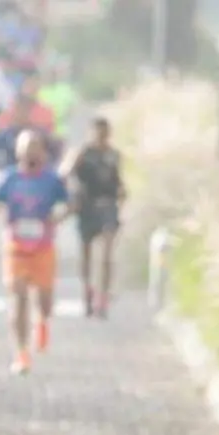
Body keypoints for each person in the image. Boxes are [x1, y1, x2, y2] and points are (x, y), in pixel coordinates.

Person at [0, 130, 68, 374]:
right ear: (18, 151)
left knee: (44, 301)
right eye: (26, 147)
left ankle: (43, 322)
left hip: (43, 247)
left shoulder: (52, 180)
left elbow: (66, 203)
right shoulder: (9, 178)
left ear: (43, 151)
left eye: (35, 146)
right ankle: (21, 353)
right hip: (16, 245)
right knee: (18, 295)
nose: (30, 152)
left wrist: (59, 213)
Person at [64, 117, 124, 318]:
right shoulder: (83, 154)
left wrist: (122, 191)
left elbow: (117, 178)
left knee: (107, 251)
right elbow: (66, 174)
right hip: (87, 205)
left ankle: (103, 296)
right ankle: (87, 290)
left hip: (107, 204)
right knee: (86, 253)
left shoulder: (114, 155)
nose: (101, 138)